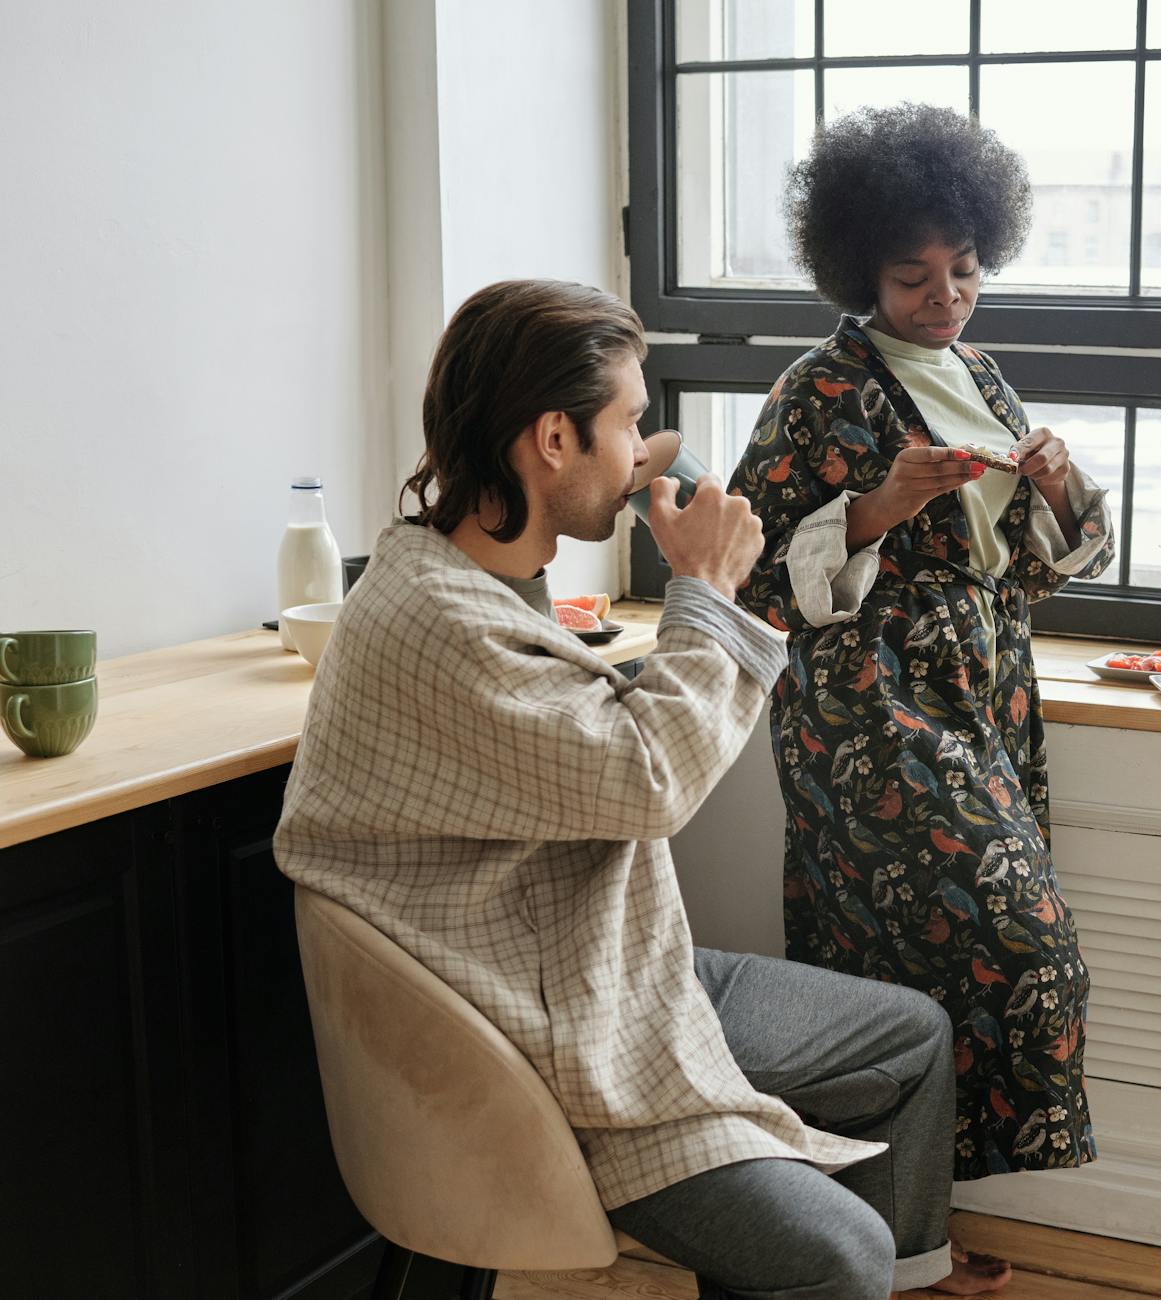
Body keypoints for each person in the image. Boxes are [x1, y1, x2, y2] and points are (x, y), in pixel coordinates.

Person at [275, 279, 978, 1298]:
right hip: (541, 1045)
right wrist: (703, 593)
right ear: (553, 437)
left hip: (612, 971)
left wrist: (686, 574)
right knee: (834, 1252)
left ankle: (902, 1283)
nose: (646, 447)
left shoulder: (470, 579)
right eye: (629, 422)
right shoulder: (436, 626)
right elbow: (649, 782)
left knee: (911, 1037)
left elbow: (577, 731)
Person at [728, 103, 1117, 1247]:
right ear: (860, 275)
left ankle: (901, 1241)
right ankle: (845, 1233)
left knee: (902, 982)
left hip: (984, 691)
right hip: (869, 705)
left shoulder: (985, 377)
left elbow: (1046, 562)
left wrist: (1051, 483)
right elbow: (744, 567)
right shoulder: (819, 389)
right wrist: (885, 503)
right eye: (911, 277)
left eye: (964, 267)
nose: (942, 295)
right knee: (1022, 945)